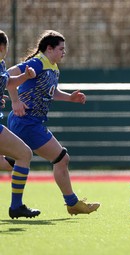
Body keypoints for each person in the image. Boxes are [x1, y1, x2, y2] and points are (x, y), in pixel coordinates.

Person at [7, 30, 100, 216]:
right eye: (61, 49)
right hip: (26, 122)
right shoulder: (38, 62)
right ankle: (72, 203)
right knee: (61, 158)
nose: (64, 52)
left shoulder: (53, 66)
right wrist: (15, 101)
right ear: (49, 48)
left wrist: (70, 98)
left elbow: (52, 92)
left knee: (14, 160)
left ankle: (19, 206)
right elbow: (8, 77)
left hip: (30, 122)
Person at [0, 30, 40, 219]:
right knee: (24, 154)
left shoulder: (1, 64)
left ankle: (17, 206)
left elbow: (9, 81)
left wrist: (24, 76)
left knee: (5, 161)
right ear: (2, 48)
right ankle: (16, 206)